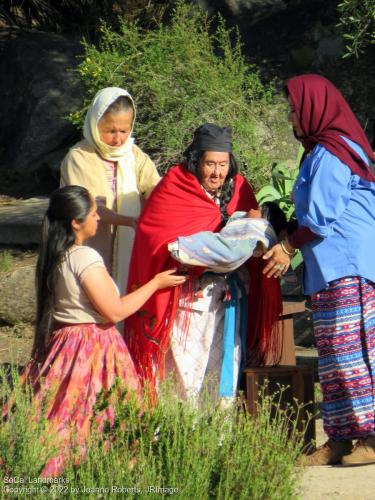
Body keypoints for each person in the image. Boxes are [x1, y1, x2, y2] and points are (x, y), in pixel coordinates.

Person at [17, 185, 186, 477]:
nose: (99, 219)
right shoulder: (84, 258)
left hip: (64, 344)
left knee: (63, 417)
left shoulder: (55, 255)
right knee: (100, 418)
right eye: (94, 214)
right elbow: (115, 311)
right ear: (75, 222)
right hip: (92, 347)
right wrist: (155, 284)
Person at [125, 123, 283, 403]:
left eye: (223, 164)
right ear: (196, 160)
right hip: (185, 301)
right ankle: (180, 437)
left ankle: (217, 438)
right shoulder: (174, 188)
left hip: (227, 301)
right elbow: (153, 236)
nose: (217, 172)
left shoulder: (239, 189)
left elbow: (254, 226)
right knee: (185, 374)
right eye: (210, 163)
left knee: (224, 368)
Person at [263, 74, 375, 466]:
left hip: (347, 263)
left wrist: (288, 245)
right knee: (331, 353)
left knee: (352, 349)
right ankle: (341, 437)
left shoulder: (332, 153)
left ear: (313, 108)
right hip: (328, 266)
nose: (292, 117)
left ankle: (370, 436)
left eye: (295, 109)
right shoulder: (319, 153)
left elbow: (323, 216)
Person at [60, 87, 160, 293]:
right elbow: (90, 206)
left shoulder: (133, 154)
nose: (118, 139)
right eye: (110, 131)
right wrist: (130, 221)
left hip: (129, 243)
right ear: (95, 125)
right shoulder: (79, 157)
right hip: (90, 244)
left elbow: (155, 189)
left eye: (124, 131)